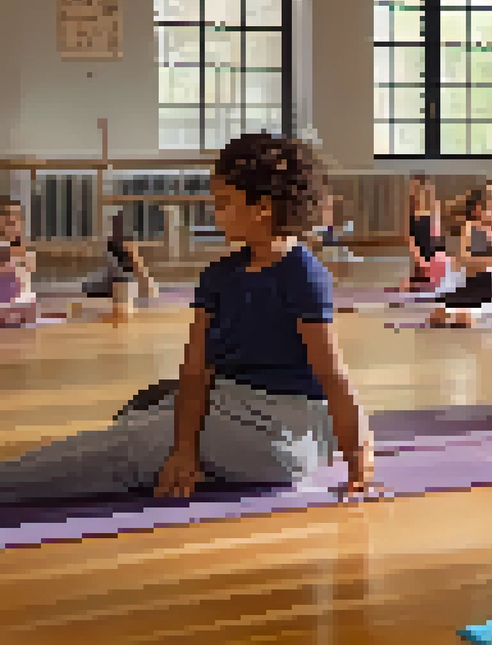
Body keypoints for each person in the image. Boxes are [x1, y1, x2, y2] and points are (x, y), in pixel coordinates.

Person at [0, 133, 376, 505]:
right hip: (232, 406)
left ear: (262, 207)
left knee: (134, 442)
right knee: (144, 408)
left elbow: (331, 375)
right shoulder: (219, 275)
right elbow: (196, 371)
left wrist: (357, 455)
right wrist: (183, 448)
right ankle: (189, 455)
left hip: (278, 436)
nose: (216, 212)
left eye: (224, 202)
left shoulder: (303, 275)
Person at [427, 182, 492, 328]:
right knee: (440, 311)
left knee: (466, 315)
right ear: (479, 209)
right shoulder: (471, 227)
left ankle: (466, 312)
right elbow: (465, 261)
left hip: (491, 287)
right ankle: (457, 310)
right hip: (471, 283)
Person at [82, 209, 159, 302]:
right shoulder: (113, 247)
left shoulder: (128, 249)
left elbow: (141, 274)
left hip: (118, 285)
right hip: (109, 286)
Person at [399, 175, 451, 293]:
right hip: (420, 249)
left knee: (434, 284)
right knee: (410, 286)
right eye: (412, 187)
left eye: (415, 187)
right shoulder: (411, 208)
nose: (412, 191)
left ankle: (429, 276)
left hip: (433, 251)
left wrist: (434, 257)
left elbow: (437, 234)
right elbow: (411, 236)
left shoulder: (434, 206)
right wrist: (418, 256)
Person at [0, 198, 37, 327]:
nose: (14, 222)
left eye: (17, 217)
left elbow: (30, 267)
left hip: (21, 312)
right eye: (9, 218)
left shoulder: (25, 250)